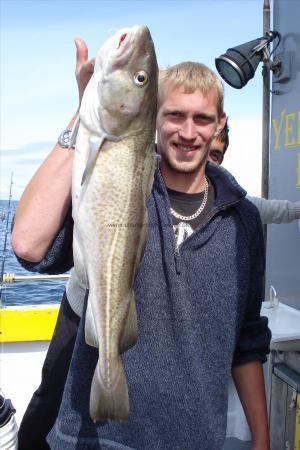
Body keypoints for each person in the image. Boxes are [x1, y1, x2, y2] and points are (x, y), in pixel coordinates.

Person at [12, 41, 271, 449]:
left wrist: (261, 438)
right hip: (90, 438)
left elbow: (247, 338)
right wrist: (87, 111)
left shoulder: (244, 221)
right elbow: (28, 244)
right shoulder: (120, 181)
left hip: (194, 440)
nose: (188, 132)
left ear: (219, 123)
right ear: (153, 118)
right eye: (175, 116)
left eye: (202, 119)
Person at [208, 119, 300, 224]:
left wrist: (295, 209)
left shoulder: (230, 203)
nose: (204, 160)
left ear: (220, 160)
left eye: (214, 155)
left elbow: (269, 210)